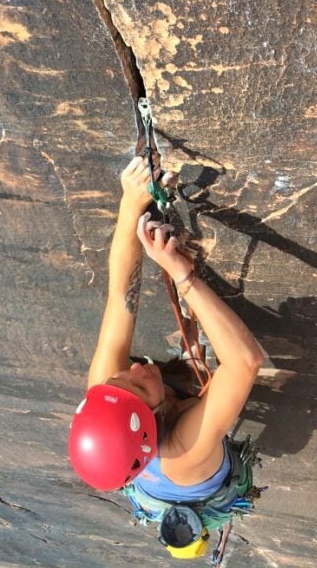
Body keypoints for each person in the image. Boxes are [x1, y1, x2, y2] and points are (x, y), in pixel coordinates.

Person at [70, 156, 264, 505]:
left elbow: (120, 297)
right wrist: (182, 275)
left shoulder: (106, 391)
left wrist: (132, 202)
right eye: (139, 387)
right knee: (216, 402)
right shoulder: (186, 451)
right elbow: (244, 362)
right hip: (195, 489)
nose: (134, 369)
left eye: (121, 379)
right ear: (158, 418)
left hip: (143, 482)